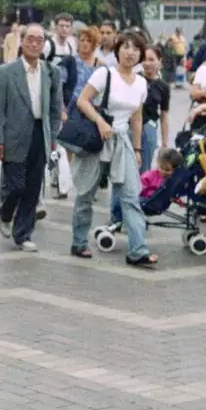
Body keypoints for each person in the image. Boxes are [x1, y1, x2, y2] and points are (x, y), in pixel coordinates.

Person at [69, 31, 158, 269]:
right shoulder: (104, 74)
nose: (130, 52)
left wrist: (137, 148)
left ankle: (138, 250)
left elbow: (136, 117)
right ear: (117, 49)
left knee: (130, 195)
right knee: (86, 193)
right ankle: (79, 242)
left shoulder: (141, 82)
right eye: (126, 47)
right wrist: (99, 121)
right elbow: (82, 100)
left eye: (136, 49)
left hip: (122, 142)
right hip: (97, 140)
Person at [0, 25, 63, 252]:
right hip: (14, 134)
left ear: (44, 44)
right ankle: (5, 211)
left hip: (40, 133)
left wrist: (53, 136)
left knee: (33, 187)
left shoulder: (51, 72)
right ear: (22, 41)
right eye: (30, 39)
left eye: (39, 40)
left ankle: (23, 234)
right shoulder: (6, 72)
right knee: (15, 186)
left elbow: (55, 108)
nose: (34, 44)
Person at [140, 46, 170, 174]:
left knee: (144, 168)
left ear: (160, 62)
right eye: (144, 59)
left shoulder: (163, 86)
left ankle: (141, 193)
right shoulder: (134, 79)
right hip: (129, 127)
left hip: (149, 129)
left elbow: (164, 115)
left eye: (152, 59)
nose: (147, 63)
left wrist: (164, 144)